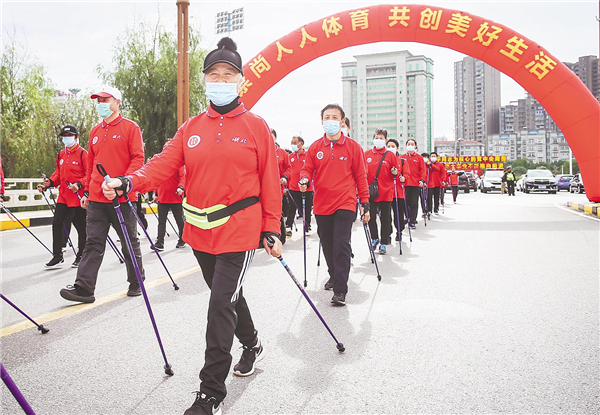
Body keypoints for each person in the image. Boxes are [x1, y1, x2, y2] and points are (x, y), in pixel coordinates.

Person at [103, 37, 282, 415]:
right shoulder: (191, 128)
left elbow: (269, 180)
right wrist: (129, 181)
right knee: (228, 297)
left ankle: (210, 393)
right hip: (199, 231)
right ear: (205, 81)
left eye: (228, 74)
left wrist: (272, 227)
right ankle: (251, 343)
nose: (220, 79)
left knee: (219, 304)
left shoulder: (255, 126)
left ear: (240, 81)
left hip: (240, 230)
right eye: (213, 74)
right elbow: (162, 164)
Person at [59, 86, 146, 303]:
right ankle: (84, 288)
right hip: (97, 198)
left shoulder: (130, 128)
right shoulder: (95, 131)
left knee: (128, 241)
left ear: (117, 102)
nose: (101, 103)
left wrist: (123, 183)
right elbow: (90, 165)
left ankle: (136, 281)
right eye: (98, 100)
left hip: (122, 198)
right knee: (93, 242)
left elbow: (138, 159)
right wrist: (87, 190)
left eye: (105, 99)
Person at [299, 103, 370, 306]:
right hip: (322, 204)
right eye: (327, 117)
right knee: (327, 243)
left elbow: (361, 177)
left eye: (334, 117)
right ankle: (334, 274)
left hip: (345, 203)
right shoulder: (315, 147)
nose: (330, 121)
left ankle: (340, 289)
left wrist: (365, 202)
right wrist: (304, 180)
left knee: (341, 243)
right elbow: (307, 169)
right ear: (322, 121)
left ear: (342, 121)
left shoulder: (353, 147)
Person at [39, 125, 88, 268]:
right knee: (57, 223)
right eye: (64, 135)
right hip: (64, 197)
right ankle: (57, 255)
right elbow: (58, 174)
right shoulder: (61, 154)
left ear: (76, 137)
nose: (67, 138)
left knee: (81, 227)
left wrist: (79, 184)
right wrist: (49, 183)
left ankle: (81, 255)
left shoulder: (82, 154)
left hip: (78, 197)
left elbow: (89, 175)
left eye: (69, 135)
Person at [365, 129, 399, 255]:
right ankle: (374, 238)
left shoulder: (390, 155)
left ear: (385, 140)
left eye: (380, 138)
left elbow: (396, 171)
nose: (378, 139)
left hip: (386, 192)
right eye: (376, 137)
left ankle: (384, 242)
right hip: (371, 192)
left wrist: (395, 173)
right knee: (371, 217)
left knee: (385, 218)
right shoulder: (367, 154)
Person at [152, 156, 186, 250]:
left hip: (175, 197)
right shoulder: (161, 164)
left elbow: (183, 177)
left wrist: (181, 187)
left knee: (179, 220)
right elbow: (158, 179)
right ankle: (160, 242)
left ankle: (182, 239)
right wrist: (156, 193)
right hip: (162, 197)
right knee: (161, 221)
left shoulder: (179, 163)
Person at [286, 135, 313, 236]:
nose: (293, 145)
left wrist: (308, 181)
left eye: (295, 143)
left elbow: (312, 171)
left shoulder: (307, 156)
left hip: (306, 187)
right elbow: (288, 171)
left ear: (301, 144)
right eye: (292, 143)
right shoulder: (290, 157)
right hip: (293, 187)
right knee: (291, 207)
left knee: (306, 208)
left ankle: (307, 226)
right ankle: (288, 226)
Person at [398, 139, 426, 229]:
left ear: (415, 146)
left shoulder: (419, 158)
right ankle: (408, 217)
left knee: (413, 203)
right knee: (405, 203)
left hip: (415, 184)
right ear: (406, 146)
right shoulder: (401, 157)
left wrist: (422, 180)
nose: (410, 145)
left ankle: (412, 221)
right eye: (409, 144)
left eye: (412, 144)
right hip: (404, 184)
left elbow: (423, 170)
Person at [386, 139, 406, 240]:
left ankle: (399, 231)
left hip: (398, 192)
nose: (390, 148)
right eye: (388, 146)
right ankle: (387, 234)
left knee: (398, 213)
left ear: (397, 148)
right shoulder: (384, 159)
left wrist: (403, 178)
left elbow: (407, 173)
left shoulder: (402, 160)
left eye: (392, 146)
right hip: (386, 192)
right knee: (386, 216)